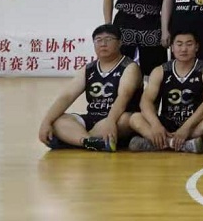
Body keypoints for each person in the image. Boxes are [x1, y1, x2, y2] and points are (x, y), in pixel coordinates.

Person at [37, 24, 141, 152]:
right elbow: (67, 96)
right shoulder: (88, 69)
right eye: (98, 40)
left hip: (117, 117)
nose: (103, 44)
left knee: (127, 119)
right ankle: (90, 141)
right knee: (57, 121)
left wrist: (110, 121)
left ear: (120, 43)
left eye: (108, 39)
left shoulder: (130, 67)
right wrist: (46, 122)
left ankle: (75, 140)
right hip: (92, 117)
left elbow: (124, 96)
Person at [128, 30, 203, 153]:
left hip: (195, 123)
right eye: (179, 44)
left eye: (189, 44)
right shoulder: (160, 70)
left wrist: (186, 127)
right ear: (172, 47)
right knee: (134, 118)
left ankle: (158, 144)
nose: (184, 49)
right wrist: (156, 125)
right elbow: (146, 101)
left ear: (196, 47)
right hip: (168, 124)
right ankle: (179, 144)